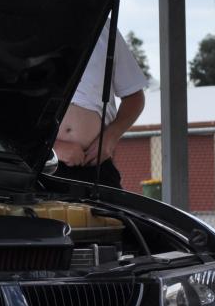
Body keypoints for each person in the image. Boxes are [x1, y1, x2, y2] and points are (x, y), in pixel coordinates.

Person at [53, 24, 147, 188]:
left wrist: (109, 139)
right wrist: (54, 148)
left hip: (94, 164)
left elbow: (134, 96)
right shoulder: (30, 22)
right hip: (42, 165)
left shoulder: (105, 28)